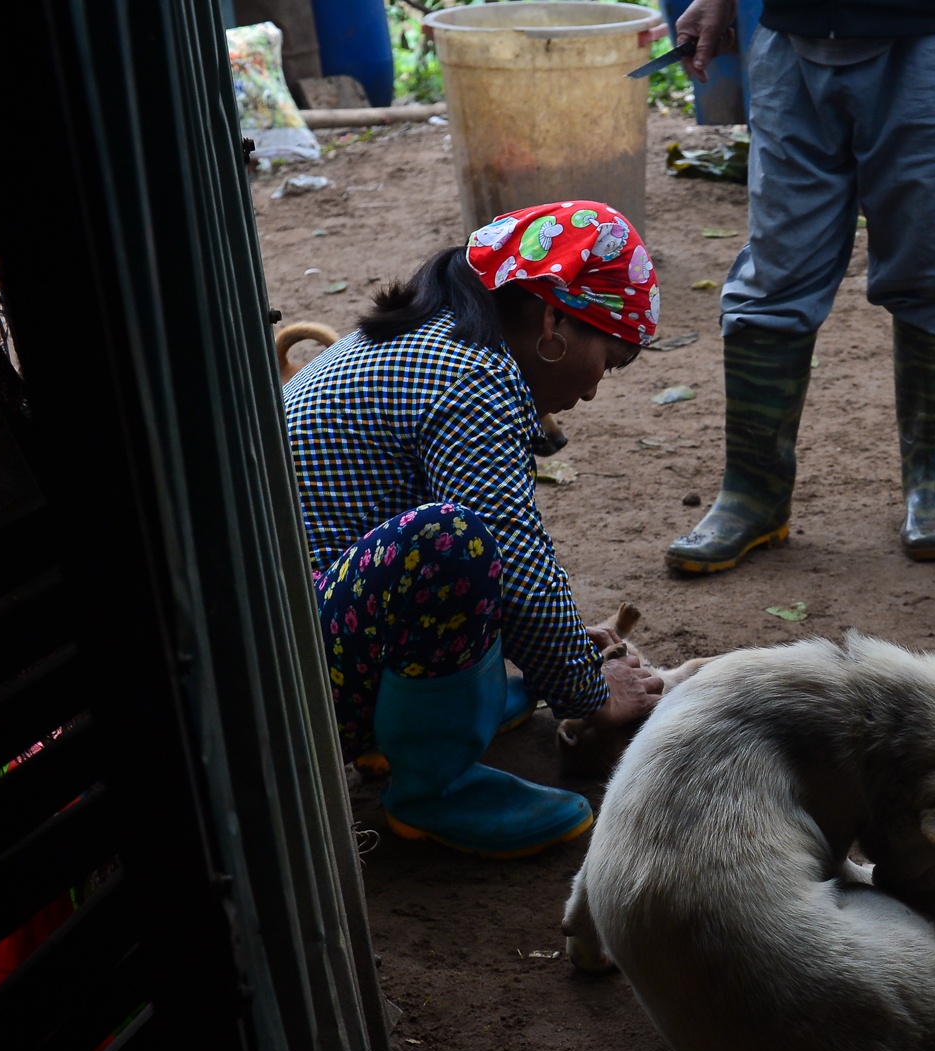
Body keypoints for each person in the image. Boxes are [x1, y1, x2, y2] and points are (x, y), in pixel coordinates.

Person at [283, 201, 666, 858]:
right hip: (293, 684)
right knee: (452, 542)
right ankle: (434, 788)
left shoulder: (439, 340)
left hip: (307, 628)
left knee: (466, 537)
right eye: (612, 356)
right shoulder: (472, 377)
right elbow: (508, 563)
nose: (599, 388)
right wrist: (584, 687)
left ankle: (422, 721)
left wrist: (566, 645)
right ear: (554, 320)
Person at [666, 0, 935, 573]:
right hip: (795, 34)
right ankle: (753, 495)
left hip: (932, 33)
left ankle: (930, 485)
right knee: (776, 273)